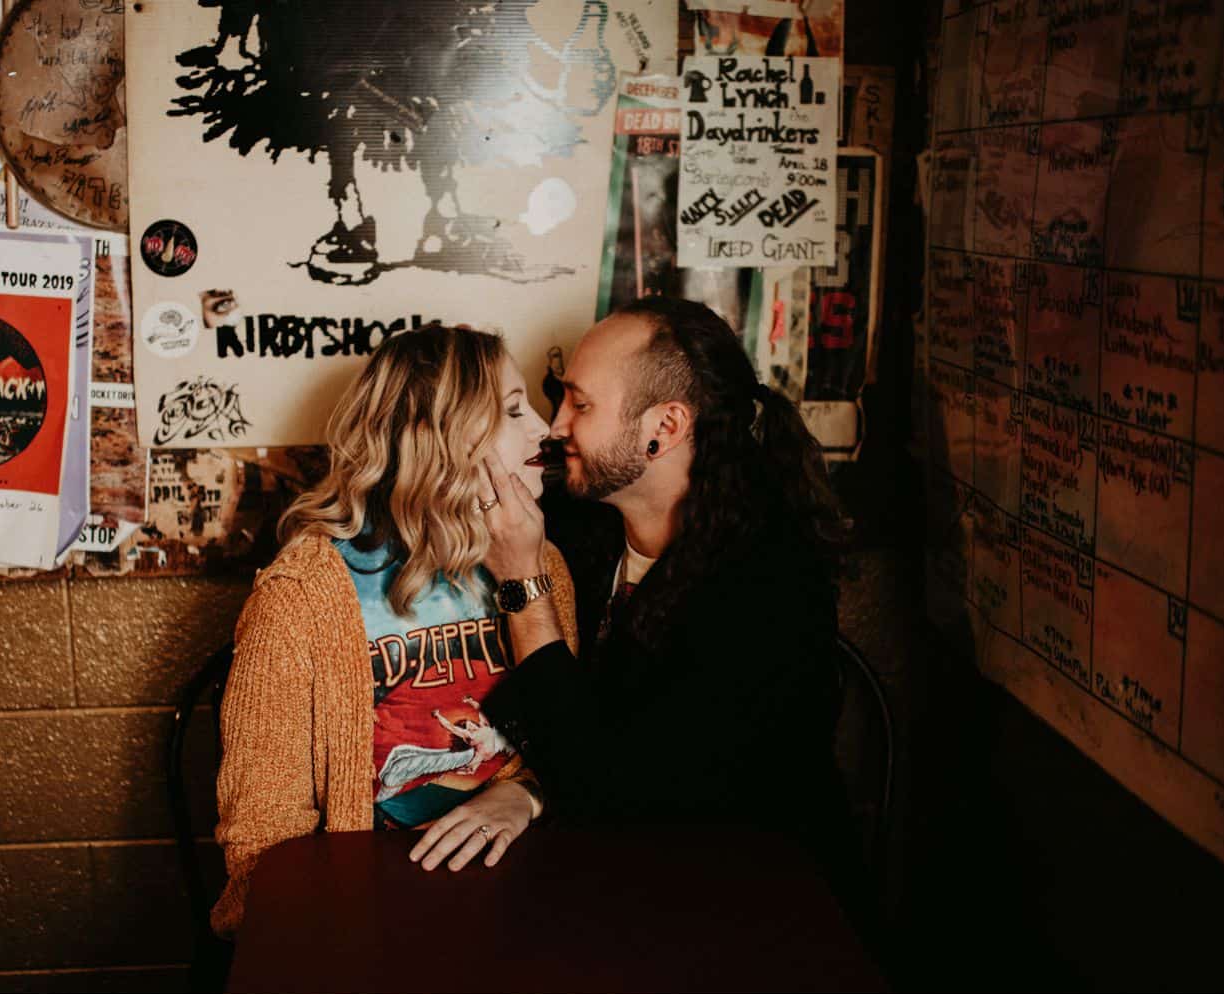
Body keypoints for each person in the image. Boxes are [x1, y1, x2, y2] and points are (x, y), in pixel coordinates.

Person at [414, 295, 857, 900]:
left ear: (664, 428)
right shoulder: (579, 525)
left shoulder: (769, 581)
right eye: (556, 396)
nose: (555, 424)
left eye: (581, 403)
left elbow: (619, 791)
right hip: (603, 879)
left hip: (752, 903)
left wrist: (523, 585)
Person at [210, 324, 579, 936]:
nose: (543, 428)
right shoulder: (300, 598)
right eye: (514, 411)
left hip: (522, 891)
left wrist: (527, 796)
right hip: (361, 910)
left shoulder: (544, 567)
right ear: (439, 439)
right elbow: (263, 838)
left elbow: (578, 756)